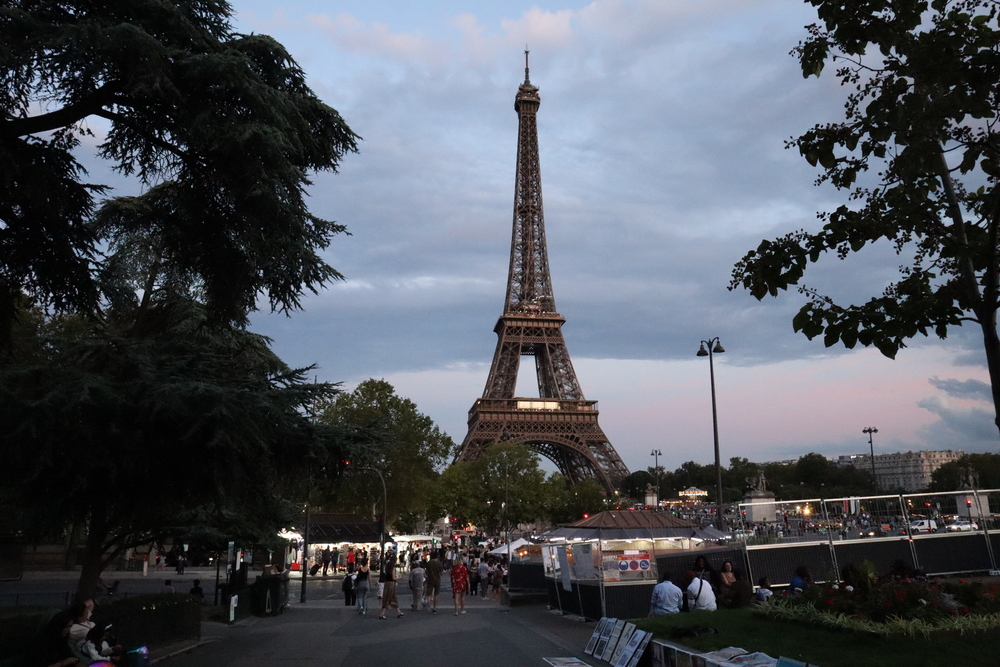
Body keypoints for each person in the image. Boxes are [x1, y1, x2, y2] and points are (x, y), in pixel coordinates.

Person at [378, 553, 404, 619]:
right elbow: (393, 577)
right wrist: (399, 577)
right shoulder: (393, 567)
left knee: (391, 597)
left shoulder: (387, 566)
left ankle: (398, 611)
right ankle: (382, 613)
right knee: (390, 598)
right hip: (391, 583)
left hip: (387, 583)